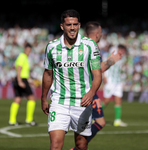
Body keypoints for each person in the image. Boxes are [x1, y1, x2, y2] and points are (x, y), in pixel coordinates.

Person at [41, 10, 102, 150]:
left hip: (82, 102)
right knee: (55, 145)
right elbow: (48, 74)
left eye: (75, 24)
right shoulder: (52, 47)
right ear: (62, 26)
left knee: (81, 145)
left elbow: (97, 74)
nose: (72, 28)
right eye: (69, 25)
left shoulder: (90, 45)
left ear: (79, 25)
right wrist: (44, 98)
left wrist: (92, 92)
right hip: (59, 101)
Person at [71, 22, 124, 149]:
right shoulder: (93, 46)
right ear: (96, 34)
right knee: (98, 122)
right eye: (100, 33)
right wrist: (111, 62)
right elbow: (97, 70)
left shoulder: (79, 45)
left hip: (78, 88)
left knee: (92, 123)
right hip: (87, 90)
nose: (101, 35)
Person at [9, 43, 37, 126]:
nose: (28, 52)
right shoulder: (22, 57)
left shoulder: (23, 57)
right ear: (25, 50)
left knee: (17, 99)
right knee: (32, 98)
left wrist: (29, 80)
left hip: (21, 79)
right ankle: (29, 120)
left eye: (30, 51)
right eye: (28, 50)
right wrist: (20, 80)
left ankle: (12, 120)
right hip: (21, 79)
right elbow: (19, 68)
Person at [102, 44, 128, 127]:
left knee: (118, 100)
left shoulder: (122, 58)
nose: (123, 52)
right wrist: (104, 76)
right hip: (110, 81)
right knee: (107, 100)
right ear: (119, 49)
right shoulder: (111, 55)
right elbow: (104, 65)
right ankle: (93, 116)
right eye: (122, 50)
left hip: (117, 82)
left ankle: (117, 120)